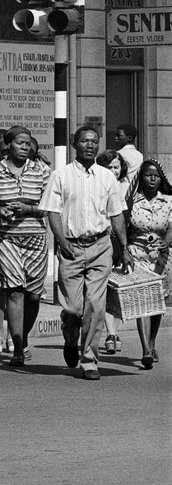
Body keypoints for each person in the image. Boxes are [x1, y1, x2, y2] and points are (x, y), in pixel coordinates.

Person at [40, 126, 131, 380]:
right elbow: (52, 211)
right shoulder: (61, 176)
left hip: (100, 246)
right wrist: (60, 241)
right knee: (72, 309)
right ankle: (70, 340)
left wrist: (123, 248)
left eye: (93, 141)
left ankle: (89, 360)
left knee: (95, 305)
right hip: (70, 247)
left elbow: (116, 214)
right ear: (74, 144)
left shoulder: (107, 177)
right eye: (84, 141)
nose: (89, 145)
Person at [0, 126, 52, 367]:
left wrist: (30, 209)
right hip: (5, 238)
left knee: (33, 294)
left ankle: (23, 337)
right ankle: (18, 347)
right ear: (8, 145)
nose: (25, 146)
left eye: (28, 143)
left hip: (36, 239)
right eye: (20, 142)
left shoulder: (42, 171)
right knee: (15, 290)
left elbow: (53, 205)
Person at [125, 159, 172, 369]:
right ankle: (145, 349)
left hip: (162, 259)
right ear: (141, 178)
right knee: (142, 302)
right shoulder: (131, 201)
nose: (152, 179)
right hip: (137, 255)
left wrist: (166, 242)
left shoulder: (169, 202)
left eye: (156, 175)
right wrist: (123, 250)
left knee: (157, 304)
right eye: (147, 175)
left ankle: (152, 342)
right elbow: (122, 227)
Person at [96, 150, 132, 355]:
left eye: (116, 167)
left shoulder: (127, 188)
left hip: (122, 243)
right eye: (109, 167)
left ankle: (113, 332)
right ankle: (109, 333)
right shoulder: (98, 185)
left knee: (117, 290)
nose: (113, 171)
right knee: (104, 289)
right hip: (102, 241)